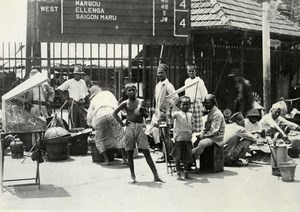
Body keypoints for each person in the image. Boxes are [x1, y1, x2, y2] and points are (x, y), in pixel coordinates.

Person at [113, 83, 164, 183]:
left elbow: (146, 116)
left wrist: (142, 111)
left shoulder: (141, 101)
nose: (132, 92)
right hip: (129, 127)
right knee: (129, 152)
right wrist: (122, 124)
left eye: (133, 90)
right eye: (129, 90)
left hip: (140, 127)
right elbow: (114, 113)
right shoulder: (125, 103)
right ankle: (132, 176)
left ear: (136, 91)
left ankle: (156, 175)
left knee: (146, 151)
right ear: (126, 92)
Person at [87, 85, 127, 166]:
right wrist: (118, 119)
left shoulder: (93, 99)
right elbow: (116, 106)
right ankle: (124, 159)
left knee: (99, 139)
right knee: (119, 136)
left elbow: (89, 116)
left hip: (99, 116)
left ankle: (106, 160)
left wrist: (91, 124)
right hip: (111, 113)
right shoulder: (109, 93)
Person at [149, 63, 178, 163]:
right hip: (158, 115)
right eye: (158, 73)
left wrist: (168, 108)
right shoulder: (158, 85)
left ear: (166, 73)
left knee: (166, 135)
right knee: (161, 134)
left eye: (162, 73)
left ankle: (168, 156)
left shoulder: (168, 85)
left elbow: (175, 98)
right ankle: (166, 154)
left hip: (165, 116)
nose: (160, 75)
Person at [168, 96, 194, 180]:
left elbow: (191, 125)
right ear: (180, 105)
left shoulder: (190, 114)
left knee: (187, 156)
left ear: (189, 105)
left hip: (188, 137)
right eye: (183, 104)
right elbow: (170, 116)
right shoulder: (177, 113)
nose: (185, 106)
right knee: (177, 156)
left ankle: (186, 173)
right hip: (179, 137)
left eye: (187, 104)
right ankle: (178, 173)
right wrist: (170, 108)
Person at [192, 94, 225, 158]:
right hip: (210, 135)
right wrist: (202, 134)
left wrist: (204, 136)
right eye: (205, 103)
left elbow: (214, 130)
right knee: (195, 141)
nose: (205, 105)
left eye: (208, 103)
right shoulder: (211, 112)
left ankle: (191, 156)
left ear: (213, 103)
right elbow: (206, 127)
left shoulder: (217, 114)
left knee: (202, 143)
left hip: (216, 138)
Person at [184, 64, 208, 133]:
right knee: (189, 121)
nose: (191, 73)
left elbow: (204, 93)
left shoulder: (199, 81)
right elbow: (186, 93)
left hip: (197, 103)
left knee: (197, 122)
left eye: (192, 71)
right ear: (187, 72)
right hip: (189, 104)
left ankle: (197, 136)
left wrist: (204, 104)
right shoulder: (187, 81)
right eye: (189, 71)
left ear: (195, 71)